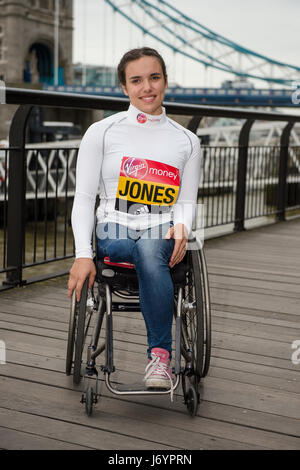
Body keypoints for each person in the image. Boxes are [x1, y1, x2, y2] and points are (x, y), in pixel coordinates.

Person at [68, 47, 201, 391]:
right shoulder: (101, 132)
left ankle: (159, 357)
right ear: (124, 88)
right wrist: (83, 254)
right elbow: (83, 198)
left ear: (166, 81)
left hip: (162, 230)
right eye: (136, 80)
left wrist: (183, 225)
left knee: (149, 249)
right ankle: (159, 352)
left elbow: (186, 201)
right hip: (115, 229)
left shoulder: (188, 141)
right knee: (142, 250)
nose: (147, 87)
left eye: (154, 77)